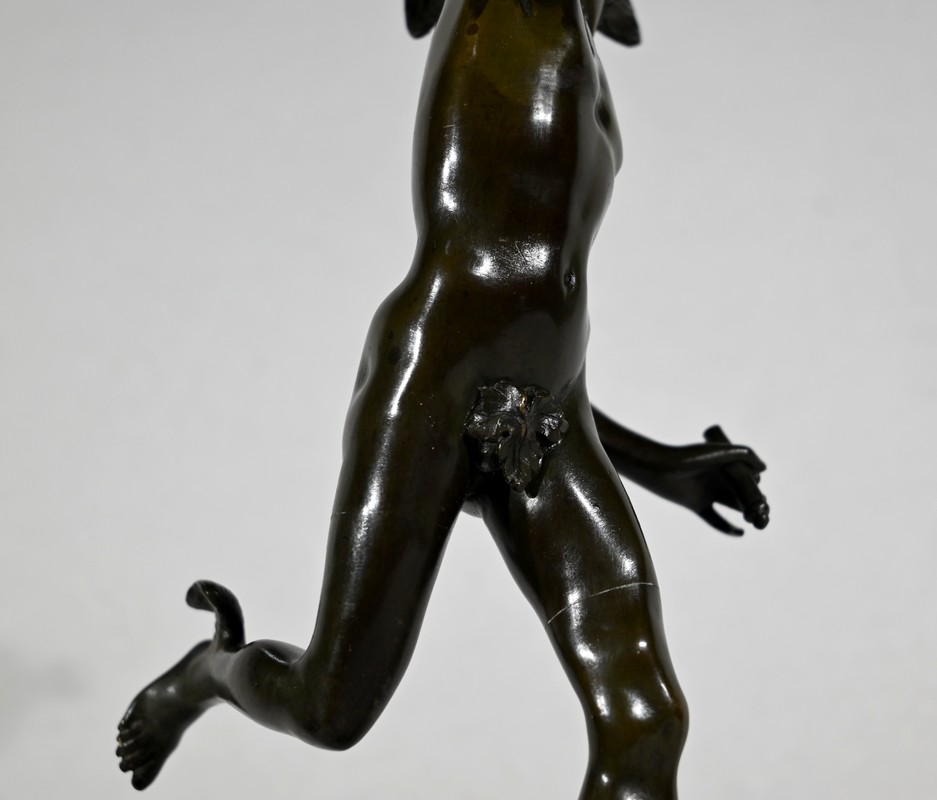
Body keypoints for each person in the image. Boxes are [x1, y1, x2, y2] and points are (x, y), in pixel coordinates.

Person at [117, 2, 767, 797]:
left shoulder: (586, 54)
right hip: (431, 384)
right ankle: (207, 673)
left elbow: (541, 351)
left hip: (545, 411)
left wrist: (661, 466)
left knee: (646, 723)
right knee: (330, 712)